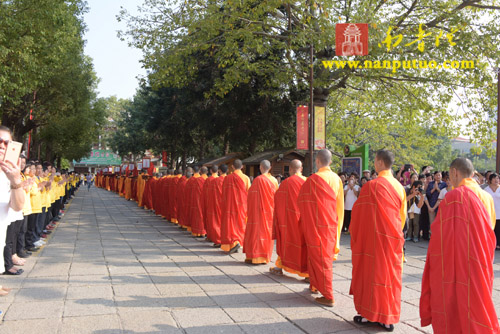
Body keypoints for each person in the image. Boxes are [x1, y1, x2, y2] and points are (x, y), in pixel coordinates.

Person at [420, 157, 499, 333]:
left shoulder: (454, 197)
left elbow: (440, 237)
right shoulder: (486, 196)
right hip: (481, 258)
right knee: (478, 303)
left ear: (455, 172)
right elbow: (489, 231)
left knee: (456, 303)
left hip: (459, 259)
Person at [349, 149, 407, 332]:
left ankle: (369, 314)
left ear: (380, 163)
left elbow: (358, 216)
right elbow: (402, 217)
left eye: (375, 161)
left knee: (372, 276)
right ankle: (387, 318)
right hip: (392, 241)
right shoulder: (399, 187)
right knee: (390, 278)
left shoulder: (371, 186)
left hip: (373, 242)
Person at [298, 149, 344, 307]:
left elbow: (302, 201)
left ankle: (328, 294)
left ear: (317, 161)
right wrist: (338, 226)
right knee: (323, 257)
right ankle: (315, 285)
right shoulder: (337, 179)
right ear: (330, 162)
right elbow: (340, 206)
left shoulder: (313, 179)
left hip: (316, 225)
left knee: (319, 258)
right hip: (330, 224)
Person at [270, 159, 307, 277]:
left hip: (288, 220)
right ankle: (306, 273)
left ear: (290, 169)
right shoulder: (306, 181)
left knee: (286, 242)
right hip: (303, 220)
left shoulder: (285, 184)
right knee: (304, 246)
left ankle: (281, 265)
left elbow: (278, 201)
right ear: (301, 169)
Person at [0, 126, 25, 293]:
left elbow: (17, 206)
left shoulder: (7, 173)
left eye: (6, 143)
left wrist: (16, 181)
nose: (2, 145)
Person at [243, 160, 278, 264]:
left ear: (260, 168)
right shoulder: (274, 180)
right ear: (270, 168)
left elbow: (250, 196)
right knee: (266, 234)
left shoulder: (257, 180)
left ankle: (253, 256)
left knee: (255, 233)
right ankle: (264, 257)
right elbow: (276, 197)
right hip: (269, 213)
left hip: (256, 213)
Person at [220, 159, 250, 254]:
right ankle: (238, 241)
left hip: (229, 205)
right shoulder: (246, 178)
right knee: (240, 224)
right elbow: (248, 192)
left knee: (230, 224)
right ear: (242, 167)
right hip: (241, 206)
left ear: (232, 167)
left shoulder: (227, 178)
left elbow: (224, 193)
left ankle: (231, 244)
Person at [190, 166, 208, 237]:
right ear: (207, 172)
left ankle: (198, 232)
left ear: (200, 171)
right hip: (207, 201)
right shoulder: (209, 179)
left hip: (198, 201)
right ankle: (206, 232)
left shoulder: (196, 180)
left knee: (199, 215)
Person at [485, 172, 500, 250]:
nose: (496, 180)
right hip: (490, 212)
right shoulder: (486, 190)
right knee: (492, 229)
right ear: (490, 180)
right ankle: (492, 244)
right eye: (494, 178)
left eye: (497, 178)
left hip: (499, 212)